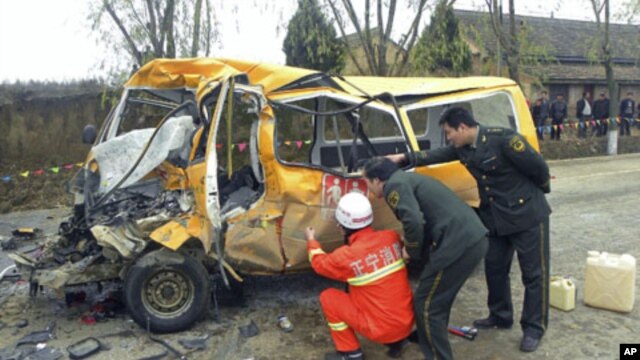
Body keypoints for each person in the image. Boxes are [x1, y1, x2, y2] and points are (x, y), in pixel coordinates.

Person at [387, 107, 551, 353]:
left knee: (534, 274)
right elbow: (437, 154)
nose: (449, 138)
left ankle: (533, 328)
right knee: (495, 269)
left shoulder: (504, 139)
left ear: (463, 127)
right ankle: (500, 315)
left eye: (449, 132)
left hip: (527, 214)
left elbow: (538, 168)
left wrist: (532, 195)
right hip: (495, 217)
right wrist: (404, 159)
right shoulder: (463, 148)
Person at [361, 157, 488, 360]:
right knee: (436, 297)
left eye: (367, 183)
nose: (369, 190)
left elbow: (413, 220)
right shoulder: (407, 179)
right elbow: (426, 217)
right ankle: (425, 335)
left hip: (457, 244)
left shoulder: (394, 186)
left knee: (426, 304)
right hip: (471, 239)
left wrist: (410, 250)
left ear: (377, 180)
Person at [306, 192, 414, 360]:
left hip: (381, 330)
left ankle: (351, 353)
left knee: (329, 298)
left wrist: (312, 241)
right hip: (407, 322)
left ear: (341, 227)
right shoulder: (391, 237)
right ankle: (398, 342)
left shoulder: (347, 256)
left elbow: (319, 264)